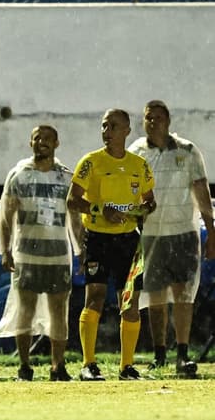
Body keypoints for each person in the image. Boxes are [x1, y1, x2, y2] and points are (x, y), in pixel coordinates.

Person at [66, 109, 156, 381]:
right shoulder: (91, 162)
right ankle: (88, 365)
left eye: (113, 126)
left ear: (127, 131)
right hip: (98, 238)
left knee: (129, 302)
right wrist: (99, 209)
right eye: (104, 126)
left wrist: (144, 208)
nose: (106, 131)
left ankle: (126, 366)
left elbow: (150, 200)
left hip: (128, 240)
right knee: (94, 297)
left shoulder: (138, 165)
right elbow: (72, 200)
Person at [128, 100, 213, 378]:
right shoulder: (136, 153)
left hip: (183, 234)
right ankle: (159, 355)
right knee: (154, 296)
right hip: (151, 235)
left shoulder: (187, 151)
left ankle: (183, 354)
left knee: (183, 294)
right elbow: (128, 193)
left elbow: (202, 192)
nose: (153, 122)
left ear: (168, 121)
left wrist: (211, 231)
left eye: (158, 117)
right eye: (148, 118)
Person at [0, 125, 82, 382]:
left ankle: (58, 366)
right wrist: (6, 250)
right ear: (30, 142)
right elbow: (6, 214)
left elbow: (75, 218)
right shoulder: (19, 174)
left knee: (58, 311)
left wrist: (81, 249)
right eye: (37, 138)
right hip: (26, 255)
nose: (41, 142)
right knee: (26, 311)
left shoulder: (66, 177)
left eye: (47, 138)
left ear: (57, 143)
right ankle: (24, 366)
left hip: (57, 256)